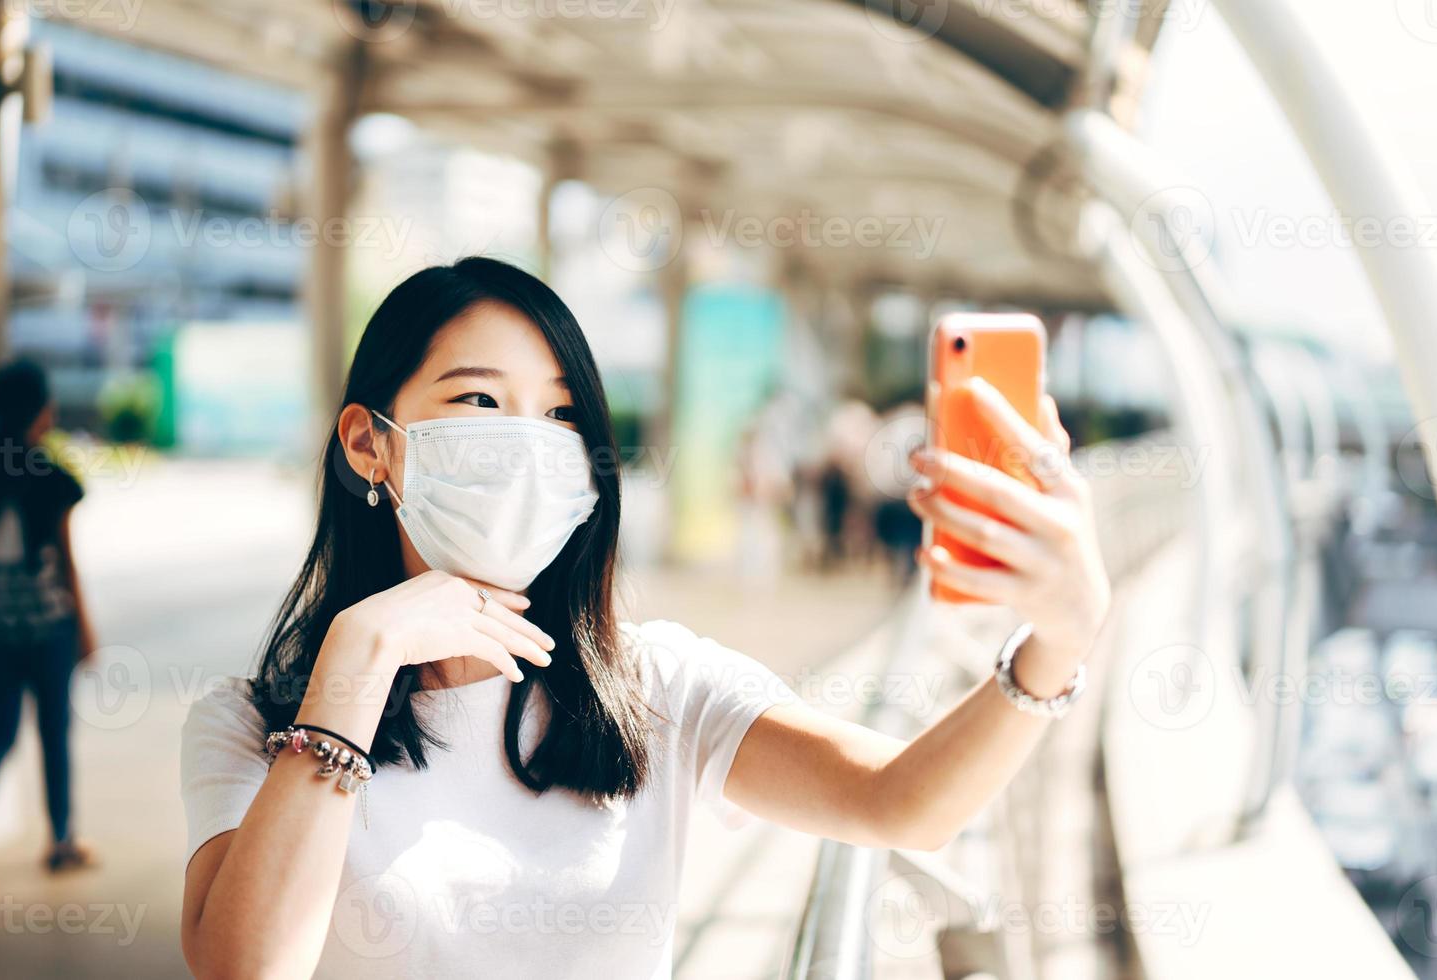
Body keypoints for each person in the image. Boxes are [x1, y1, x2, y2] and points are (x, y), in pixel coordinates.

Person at [179, 257, 1111, 978]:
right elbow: (246, 964)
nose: (531, 442)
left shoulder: (655, 687)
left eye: (560, 415)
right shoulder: (248, 726)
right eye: (478, 399)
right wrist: (360, 658)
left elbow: (903, 803)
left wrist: (1059, 638)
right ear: (368, 443)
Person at [0, 359, 99, 891]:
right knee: (54, 732)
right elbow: (66, 562)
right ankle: (62, 842)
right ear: (40, 410)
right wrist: (86, 628)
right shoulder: (54, 478)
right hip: (49, 627)